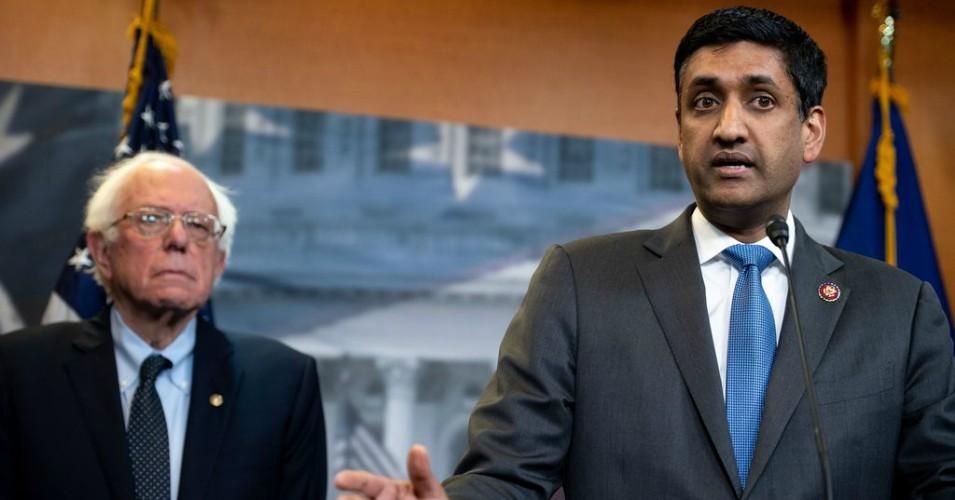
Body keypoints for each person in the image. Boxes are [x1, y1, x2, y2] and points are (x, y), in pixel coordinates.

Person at [335, 6, 955, 499]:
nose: (729, 127)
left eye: (761, 100)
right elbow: (508, 474)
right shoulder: (580, 282)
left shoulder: (898, 310)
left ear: (810, 130)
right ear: (679, 128)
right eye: (704, 102)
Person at [0, 152, 327, 499]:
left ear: (219, 263)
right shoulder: (20, 370)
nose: (178, 239)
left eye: (199, 225)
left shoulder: (281, 384)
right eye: (152, 218)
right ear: (102, 252)